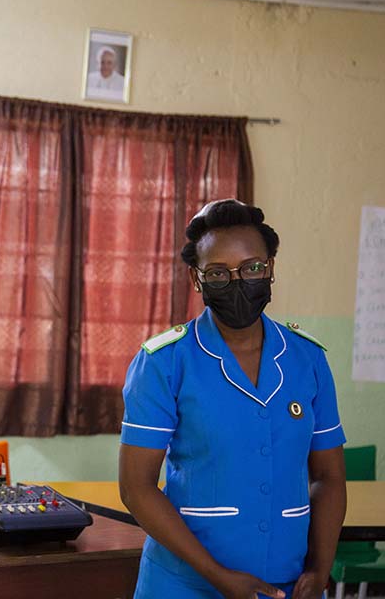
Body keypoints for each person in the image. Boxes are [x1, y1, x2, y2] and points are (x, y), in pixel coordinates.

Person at [119, 199, 347, 599]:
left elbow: (328, 476)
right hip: (183, 584)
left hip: (288, 584)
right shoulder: (164, 362)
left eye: (252, 268)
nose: (238, 281)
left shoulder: (307, 359)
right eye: (218, 273)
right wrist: (216, 574)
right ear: (197, 279)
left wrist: (320, 567)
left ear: (271, 268)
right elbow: (136, 487)